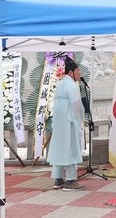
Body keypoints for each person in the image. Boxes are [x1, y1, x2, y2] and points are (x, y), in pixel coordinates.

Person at [47, 57, 86, 191]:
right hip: (69, 122)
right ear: (70, 73)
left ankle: (58, 179)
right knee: (71, 149)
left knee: (60, 149)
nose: (79, 73)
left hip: (59, 122)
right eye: (77, 70)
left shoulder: (61, 84)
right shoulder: (71, 85)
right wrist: (80, 118)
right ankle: (70, 180)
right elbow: (75, 105)